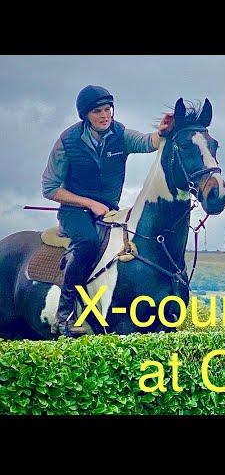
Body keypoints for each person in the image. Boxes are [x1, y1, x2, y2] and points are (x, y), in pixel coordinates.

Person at [41, 85, 174, 337]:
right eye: (97, 111)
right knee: (88, 243)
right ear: (85, 116)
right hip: (74, 212)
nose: (105, 115)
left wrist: (161, 132)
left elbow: (148, 143)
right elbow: (49, 188)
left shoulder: (120, 133)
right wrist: (89, 203)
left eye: (108, 109)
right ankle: (65, 314)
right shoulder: (67, 141)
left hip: (109, 213)